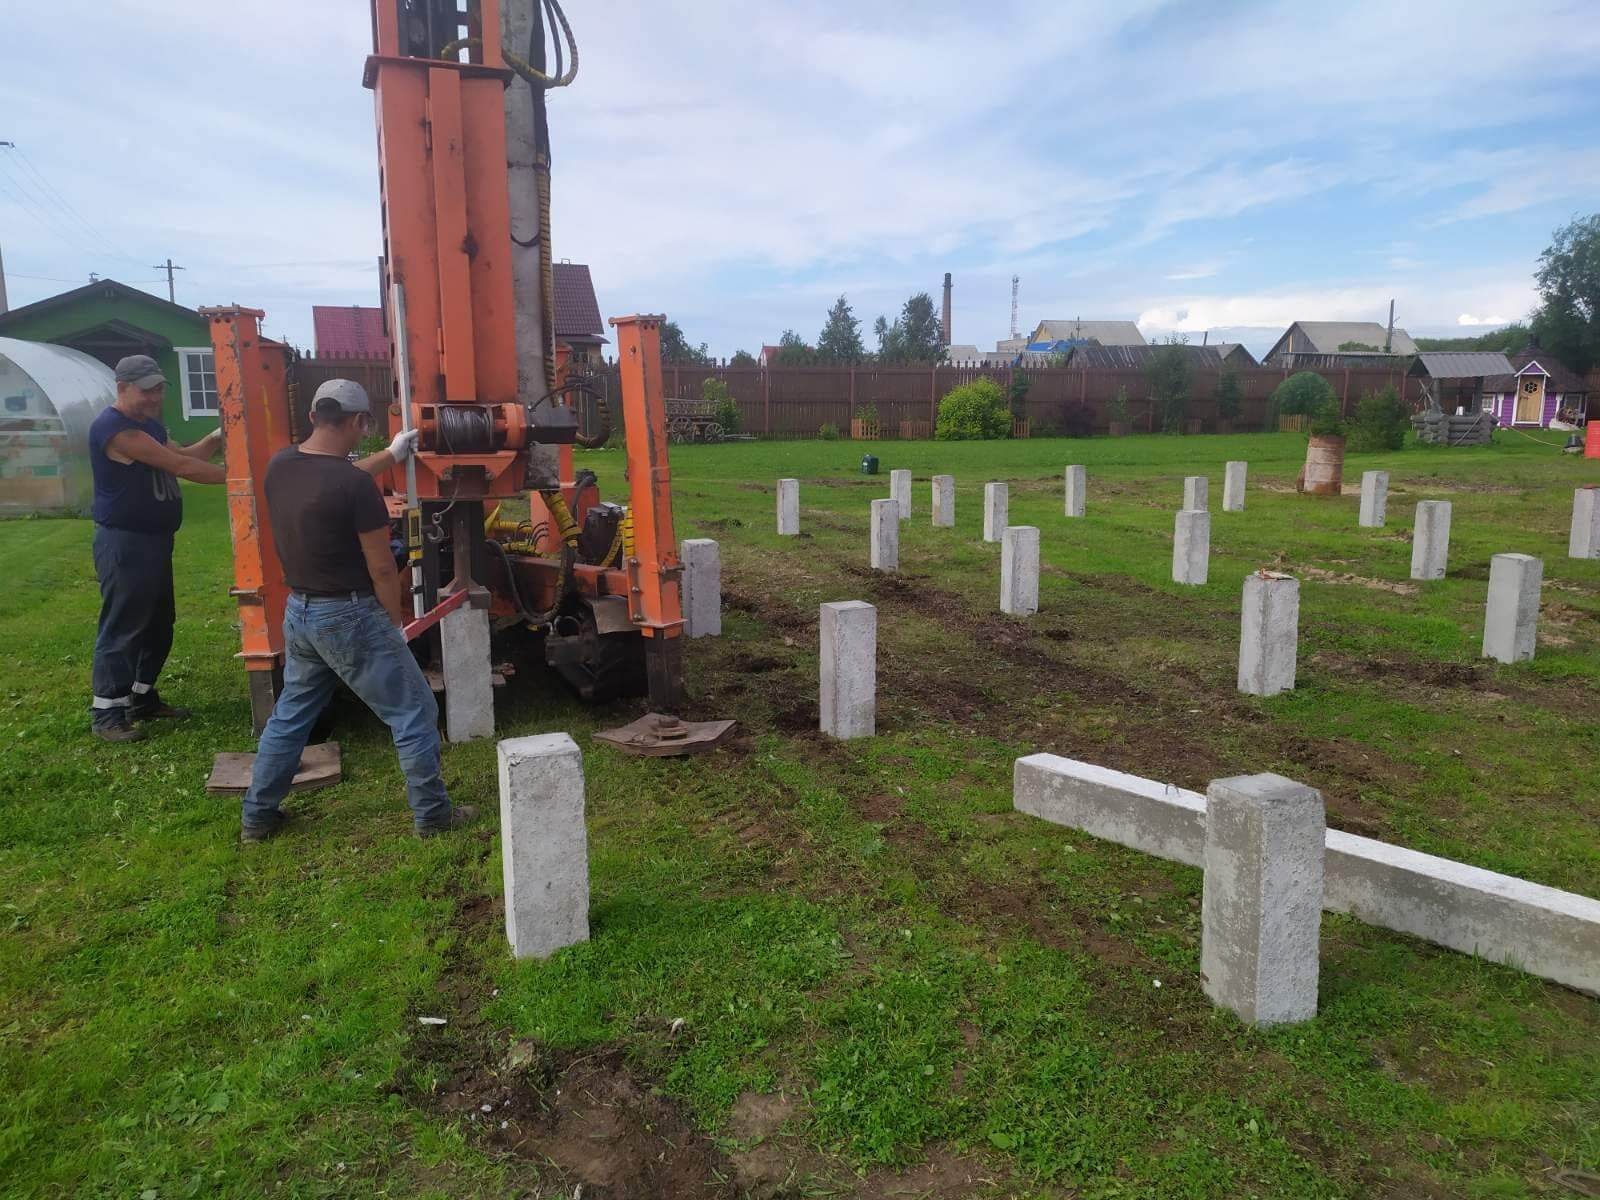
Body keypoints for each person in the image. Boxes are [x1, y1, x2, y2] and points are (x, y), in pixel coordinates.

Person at [239, 378, 477, 842]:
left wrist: (391, 455)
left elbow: (336, 479)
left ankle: (257, 817)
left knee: (291, 714)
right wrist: (395, 624)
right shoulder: (353, 488)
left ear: (313, 416)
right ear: (358, 422)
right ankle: (433, 816)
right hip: (349, 616)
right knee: (413, 710)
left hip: (301, 612)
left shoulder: (282, 465)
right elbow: (383, 569)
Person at [88, 354, 226, 742]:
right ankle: (107, 713)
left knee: (158, 623)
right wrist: (243, 479)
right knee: (125, 623)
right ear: (123, 387)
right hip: (125, 541)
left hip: (154, 541)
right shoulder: (116, 429)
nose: (155, 397)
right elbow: (180, 468)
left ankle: (142, 697)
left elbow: (186, 455)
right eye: (147, 390)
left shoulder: (147, 426)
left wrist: (216, 438)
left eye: (159, 389)